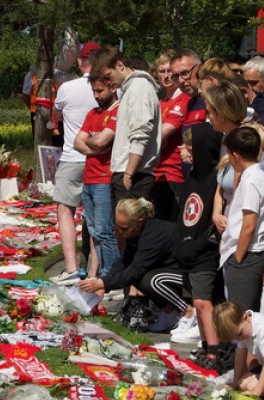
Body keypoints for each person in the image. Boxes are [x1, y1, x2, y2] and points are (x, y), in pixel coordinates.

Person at [78, 198, 186, 332]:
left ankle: (188, 313)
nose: (120, 232)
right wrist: (103, 284)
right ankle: (169, 313)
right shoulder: (136, 232)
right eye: (117, 227)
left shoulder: (153, 234)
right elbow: (124, 261)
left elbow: (135, 270)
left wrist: (103, 284)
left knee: (149, 280)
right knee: (140, 278)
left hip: (188, 275)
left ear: (139, 221)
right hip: (169, 272)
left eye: (124, 228)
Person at [172, 124, 224, 361]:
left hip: (204, 251)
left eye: (188, 146)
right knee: (196, 300)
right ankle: (205, 346)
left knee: (204, 302)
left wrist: (200, 243)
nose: (182, 149)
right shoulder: (191, 175)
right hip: (187, 248)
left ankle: (214, 352)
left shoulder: (215, 179)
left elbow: (212, 218)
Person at [49, 42, 100, 285]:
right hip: (98, 157)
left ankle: (70, 267)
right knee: (95, 214)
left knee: (65, 210)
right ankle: (93, 270)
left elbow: (56, 117)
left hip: (71, 156)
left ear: (80, 62)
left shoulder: (67, 88)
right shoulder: (110, 88)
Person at [91, 47, 161, 206]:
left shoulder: (139, 87)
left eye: (108, 76)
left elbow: (141, 132)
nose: (108, 83)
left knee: (130, 228)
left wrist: (129, 174)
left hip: (134, 175)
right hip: (129, 172)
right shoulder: (132, 88)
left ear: (120, 65)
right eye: (104, 79)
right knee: (123, 228)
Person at [218, 125, 264, 314]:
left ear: (234, 155)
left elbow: (249, 225)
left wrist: (238, 258)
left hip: (248, 252)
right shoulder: (253, 176)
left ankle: (243, 345)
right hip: (248, 252)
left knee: (241, 315)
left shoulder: (251, 180)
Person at [74, 74, 119, 280]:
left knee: (104, 231)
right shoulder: (93, 113)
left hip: (104, 179)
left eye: (100, 91)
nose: (96, 95)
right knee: (93, 231)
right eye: (93, 91)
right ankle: (103, 274)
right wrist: (96, 148)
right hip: (89, 179)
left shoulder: (118, 111)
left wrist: (94, 142)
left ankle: (110, 275)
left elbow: (101, 141)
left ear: (112, 87)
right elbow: (78, 142)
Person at [212, 300, 264, 397]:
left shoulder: (263, 327)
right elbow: (240, 356)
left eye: (239, 334)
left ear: (245, 317)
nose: (239, 339)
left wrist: (257, 390)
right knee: (241, 383)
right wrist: (234, 384)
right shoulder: (245, 327)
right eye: (235, 337)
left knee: (251, 386)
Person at [155, 49, 189, 222]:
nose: (166, 76)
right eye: (162, 71)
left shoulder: (183, 99)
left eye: (170, 71)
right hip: (155, 173)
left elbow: (158, 136)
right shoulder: (159, 101)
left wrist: (156, 136)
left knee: (168, 228)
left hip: (173, 174)